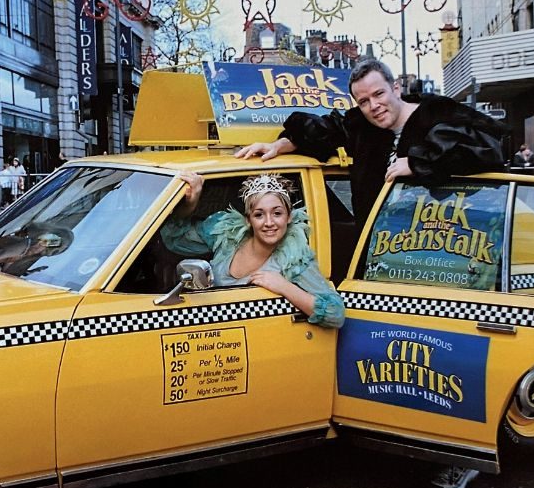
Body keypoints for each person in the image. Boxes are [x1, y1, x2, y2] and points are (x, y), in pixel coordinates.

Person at [234, 59, 506, 229]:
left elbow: (488, 148)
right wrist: (280, 145)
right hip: (377, 243)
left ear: (396, 88)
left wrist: (416, 161)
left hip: (441, 247)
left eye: (379, 94)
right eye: (363, 101)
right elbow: (325, 131)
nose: (374, 106)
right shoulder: (361, 125)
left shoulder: (438, 113)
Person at [160, 172, 344, 329]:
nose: (269, 222)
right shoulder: (228, 236)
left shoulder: (295, 259)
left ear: (288, 217)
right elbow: (173, 237)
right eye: (259, 214)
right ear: (248, 220)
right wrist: (192, 201)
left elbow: (335, 314)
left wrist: (284, 287)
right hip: (214, 330)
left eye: (277, 213)